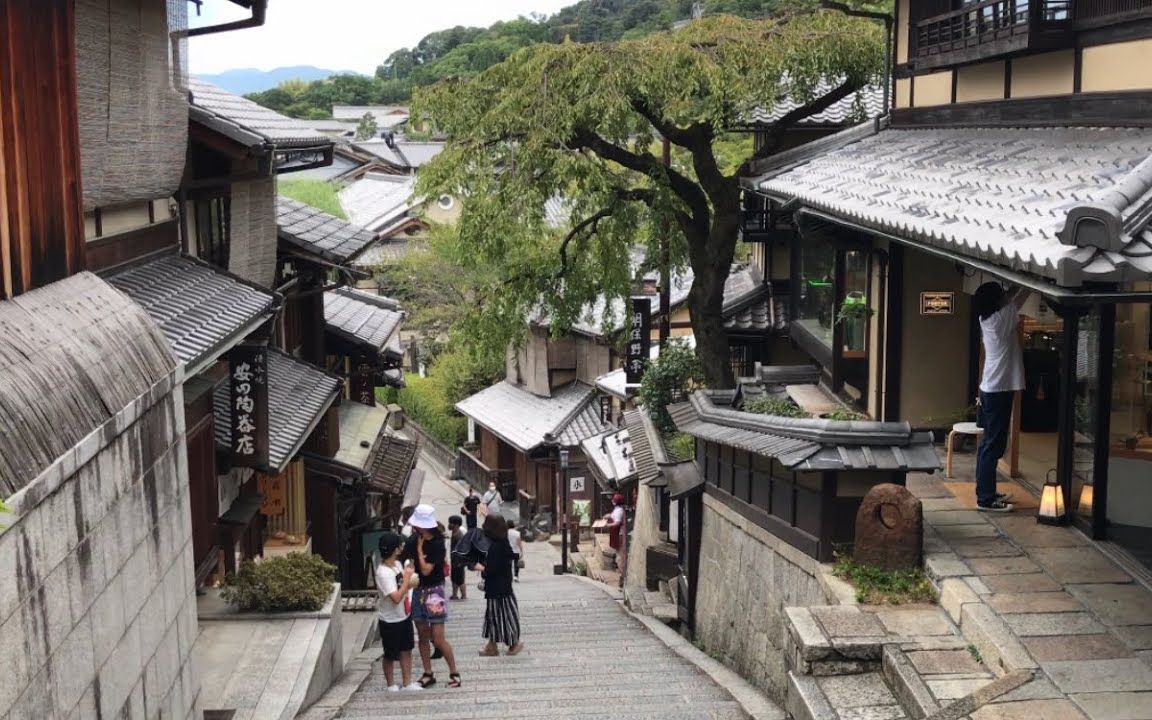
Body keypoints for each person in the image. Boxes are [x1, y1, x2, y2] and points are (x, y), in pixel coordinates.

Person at [973, 282, 1029, 513]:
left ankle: (986, 491)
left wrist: (1009, 288)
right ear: (997, 301)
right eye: (1001, 295)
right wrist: (1027, 279)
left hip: (992, 389)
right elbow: (1022, 294)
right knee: (992, 446)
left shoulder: (987, 318)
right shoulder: (999, 320)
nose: (1006, 296)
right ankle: (985, 498)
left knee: (989, 445)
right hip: (998, 391)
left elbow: (1009, 298)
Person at [401, 504, 461, 688]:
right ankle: (428, 672)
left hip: (434, 591)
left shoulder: (437, 543)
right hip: (418, 590)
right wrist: (408, 567)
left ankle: (454, 672)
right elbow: (407, 561)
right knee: (422, 634)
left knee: (438, 637)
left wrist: (419, 551)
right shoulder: (412, 540)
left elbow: (427, 570)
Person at [467, 514, 523, 656]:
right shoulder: (502, 541)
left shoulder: (494, 546)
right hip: (504, 587)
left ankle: (513, 643)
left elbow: (492, 569)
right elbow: (511, 556)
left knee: (500, 616)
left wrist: (479, 568)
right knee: (495, 616)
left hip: (497, 588)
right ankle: (492, 646)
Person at [375, 532, 421, 692]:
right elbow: (395, 597)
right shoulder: (383, 573)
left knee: (406, 649)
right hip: (390, 619)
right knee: (390, 654)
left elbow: (403, 586)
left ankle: (407, 682)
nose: (402, 548)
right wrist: (408, 579)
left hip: (403, 615)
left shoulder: (397, 565)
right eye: (399, 545)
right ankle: (391, 684)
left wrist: (410, 579)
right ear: (395, 550)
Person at [448, 515, 467, 600]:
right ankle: (454, 594)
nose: (449, 525)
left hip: (458, 562)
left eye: (450, 523)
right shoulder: (454, 532)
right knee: (454, 578)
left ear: (456, 524)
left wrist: (460, 562)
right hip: (454, 561)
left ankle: (464, 595)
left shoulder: (459, 535)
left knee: (460, 579)